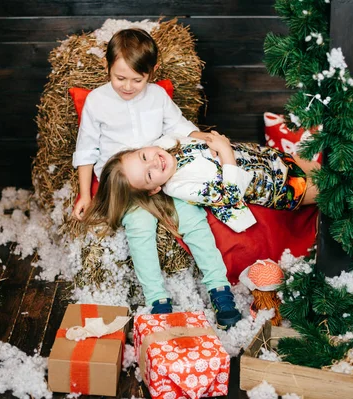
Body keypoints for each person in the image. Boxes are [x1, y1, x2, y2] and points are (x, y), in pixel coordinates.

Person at [71, 28, 242, 329]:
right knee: (139, 226)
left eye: (137, 80)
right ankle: (157, 299)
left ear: (151, 73)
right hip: (127, 179)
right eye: (119, 78)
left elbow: (178, 124)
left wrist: (203, 136)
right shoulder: (97, 102)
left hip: (161, 169)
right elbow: (86, 151)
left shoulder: (158, 96)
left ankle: (219, 289)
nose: (127, 86)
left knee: (192, 219)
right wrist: (85, 194)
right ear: (107, 68)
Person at [87, 131, 319, 235]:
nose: (154, 164)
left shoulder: (165, 142)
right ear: (154, 189)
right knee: (330, 190)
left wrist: (209, 138)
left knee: (324, 169)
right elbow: (229, 196)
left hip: (268, 157)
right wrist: (225, 152)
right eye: (149, 175)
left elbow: (191, 135)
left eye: (144, 157)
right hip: (276, 187)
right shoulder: (181, 185)